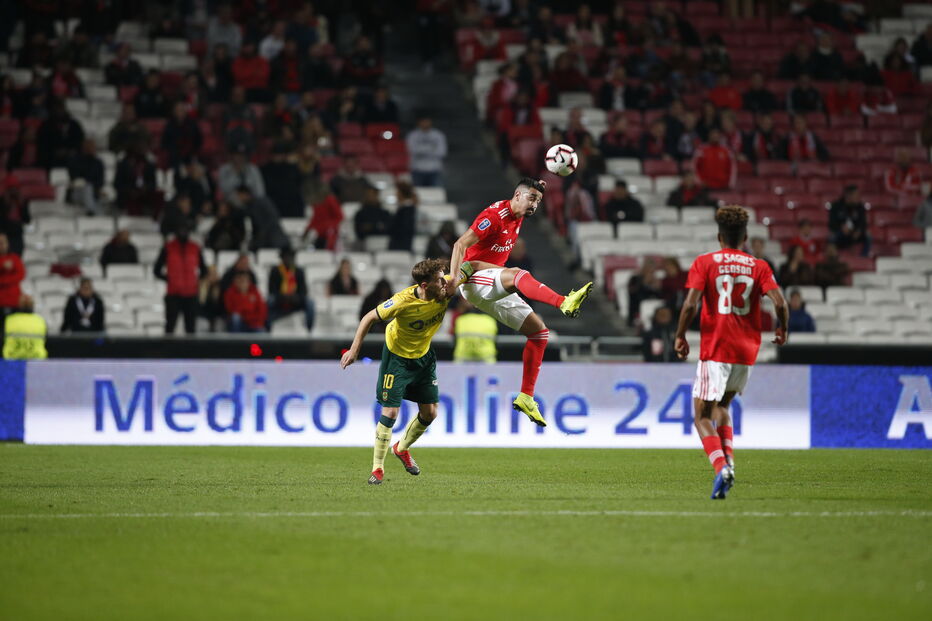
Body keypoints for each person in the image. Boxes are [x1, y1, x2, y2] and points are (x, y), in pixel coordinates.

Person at [446, 178, 593, 427]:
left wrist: (539, 185)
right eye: (532, 198)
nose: (535, 205)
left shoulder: (519, 214)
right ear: (517, 195)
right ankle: (563, 302)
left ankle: (526, 396)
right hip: (472, 279)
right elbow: (461, 244)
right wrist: (453, 278)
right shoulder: (494, 215)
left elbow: (532, 188)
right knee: (518, 274)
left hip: (489, 281)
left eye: (539, 201)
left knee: (539, 333)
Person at [674, 205, 788, 499]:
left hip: (716, 348)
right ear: (745, 236)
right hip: (746, 352)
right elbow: (780, 303)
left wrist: (680, 335)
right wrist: (782, 329)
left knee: (701, 416)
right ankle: (730, 464)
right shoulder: (759, 266)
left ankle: (721, 467)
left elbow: (690, 304)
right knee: (722, 407)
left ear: (719, 236)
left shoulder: (705, 263)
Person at [341, 258, 452, 485]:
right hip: (397, 359)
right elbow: (368, 317)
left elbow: (472, 269)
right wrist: (354, 350)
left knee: (430, 413)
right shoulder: (402, 301)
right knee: (391, 412)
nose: (444, 283)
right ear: (424, 285)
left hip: (424, 357)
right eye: (439, 279)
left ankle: (401, 449)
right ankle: (377, 469)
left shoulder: (447, 289)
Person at [153, 225, 208, 335]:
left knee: (190, 327)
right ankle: (168, 351)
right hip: (173, 293)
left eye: (185, 229)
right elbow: (156, 270)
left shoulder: (195, 248)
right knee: (170, 326)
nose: (183, 232)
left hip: (191, 294)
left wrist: (194, 280)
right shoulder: (168, 247)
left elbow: (204, 270)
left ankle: (190, 351)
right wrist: (169, 279)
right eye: (180, 229)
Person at [267, 247, 315, 331]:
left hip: (296, 301)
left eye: (291, 257)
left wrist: (296, 297)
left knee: (310, 303)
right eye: (286, 257)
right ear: (282, 258)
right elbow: (272, 290)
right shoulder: (275, 271)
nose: (289, 259)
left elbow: (303, 291)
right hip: (280, 300)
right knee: (269, 301)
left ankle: (309, 330)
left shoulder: (299, 271)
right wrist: (283, 297)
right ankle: (267, 329)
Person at [235, 185, 288, 251]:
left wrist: (261, 235)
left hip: (275, 240)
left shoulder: (262, 202)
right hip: (263, 242)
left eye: (239, 195)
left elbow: (273, 218)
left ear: (245, 194)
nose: (239, 198)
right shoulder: (247, 209)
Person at [406, 114, 447, 187]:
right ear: (419, 123)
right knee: (418, 194)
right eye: (423, 122)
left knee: (435, 194)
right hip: (417, 169)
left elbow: (442, 152)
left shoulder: (438, 135)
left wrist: (421, 150)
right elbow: (412, 150)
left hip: (434, 170)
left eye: (427, 122)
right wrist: (431, 148)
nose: (425, 124)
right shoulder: (413, 135)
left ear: (430, 122)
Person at [829, 185, 870, 256]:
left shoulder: (860, 207)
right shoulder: (836, 206)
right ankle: (834, 259)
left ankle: (863, 259)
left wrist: (859, 230)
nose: (858, 197)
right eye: (855, 195)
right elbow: (831, 223)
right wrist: (841, 227)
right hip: (840, 233)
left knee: (868, 236)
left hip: (854, 233)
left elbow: (863, 223)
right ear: (848, 195)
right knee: (831, 238)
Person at [67, 139, 105, 215]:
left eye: (93, 147)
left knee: (91, 190)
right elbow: (75, 178)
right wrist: (87, 182)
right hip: (78, 191)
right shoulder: (76, 160)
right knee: (88, 187)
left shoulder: (98, 163)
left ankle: (94, 214)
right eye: (89, 147)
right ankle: (90, 211)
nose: (92, 149)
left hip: (93, 192)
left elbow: (100, 181)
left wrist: (94, 186)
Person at [388, 181, 417, 252]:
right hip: (401, 244)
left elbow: (402, 229)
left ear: (401, 193)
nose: (396, 194)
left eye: (397, 191)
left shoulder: (406, 210)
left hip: (401, 246)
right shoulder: (405, 209)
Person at [0, 233, 24, 313]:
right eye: (0, 243)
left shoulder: (14, 258)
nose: (3, 245)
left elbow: (21, 275)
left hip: (14, 301)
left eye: (4, 242)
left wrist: (4, 280)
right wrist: (2, 266)